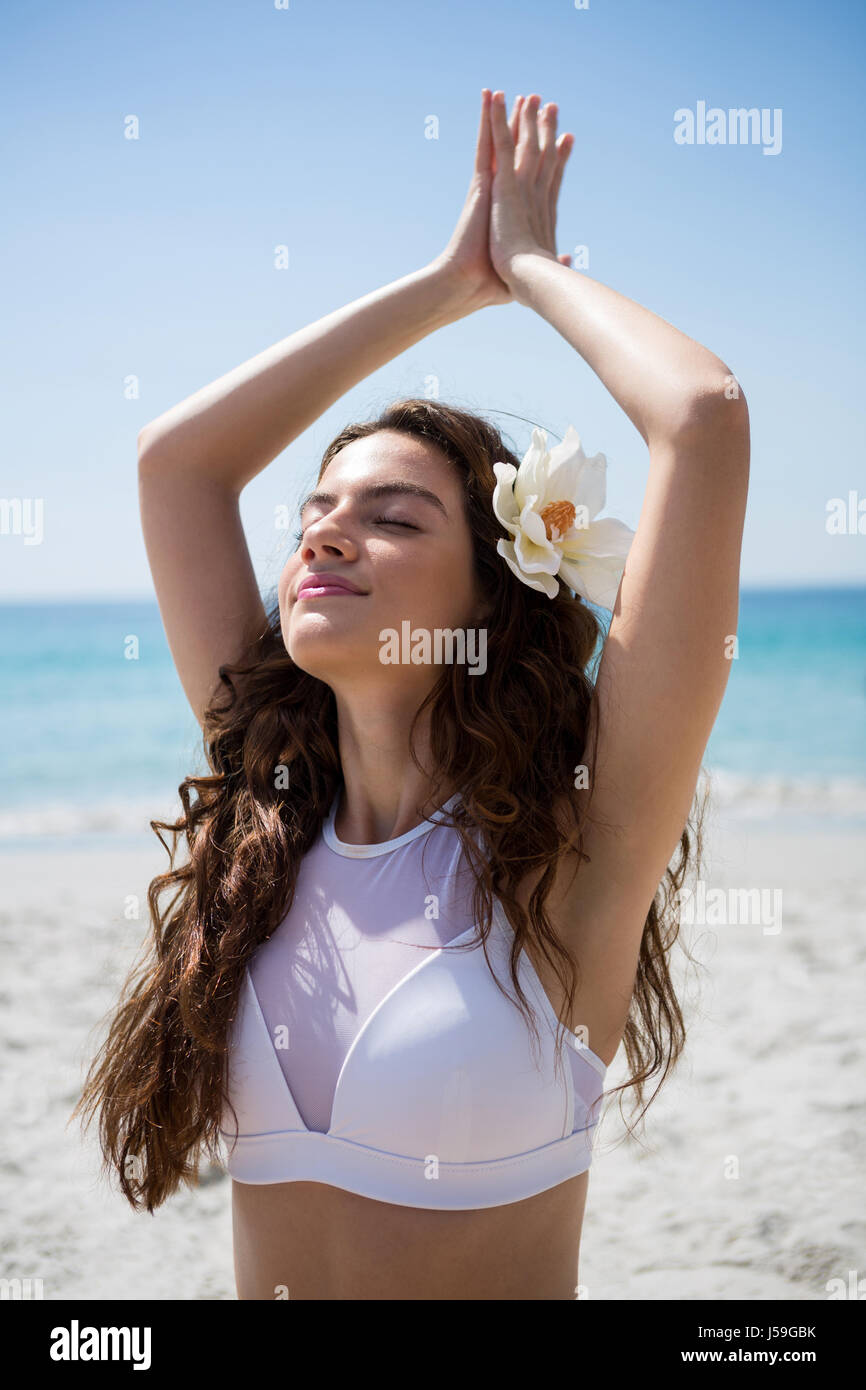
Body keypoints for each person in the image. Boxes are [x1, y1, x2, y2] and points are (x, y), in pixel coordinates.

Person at [74, 89, 750, 1300]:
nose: (327, 536)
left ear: (490, 601)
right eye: (314, 515)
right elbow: (176, 462)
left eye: (392, 518)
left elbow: (699, 418)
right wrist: (445, 281)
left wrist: (527, 266)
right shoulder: (263, 812)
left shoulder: (573, 852)